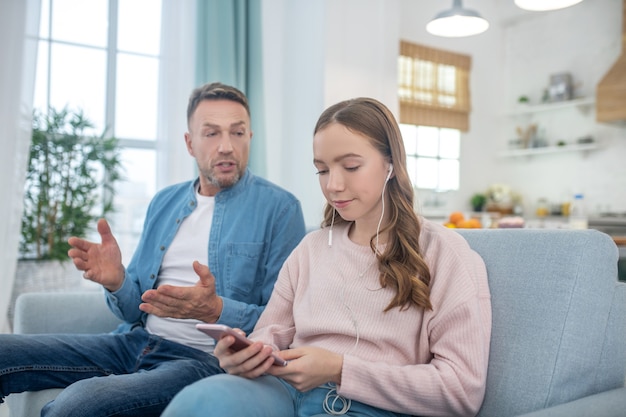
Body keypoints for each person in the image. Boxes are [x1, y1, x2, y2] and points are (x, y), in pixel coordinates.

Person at [162, 97, 492, 417]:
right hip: (282, 391)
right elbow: (269, 334)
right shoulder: (310, 249)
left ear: (390, 164)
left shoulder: (444, 254)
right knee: (198, 403)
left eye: (351, 166)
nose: (333, 185)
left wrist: (340, 369)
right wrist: (247, 357)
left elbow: (461, 391)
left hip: (369, 407)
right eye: (322, 170)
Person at [0, 82, 306, 417]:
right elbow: (133, 309)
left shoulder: (280, 209)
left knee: (76, 406)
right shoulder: (164, 201)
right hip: (134, 341)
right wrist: (116, 281)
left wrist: (216, 309)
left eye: (237, 133)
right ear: (190, 143)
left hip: (200, 360)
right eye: (211, 133)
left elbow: (283, 321)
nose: (226, 147)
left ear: (250, 137)